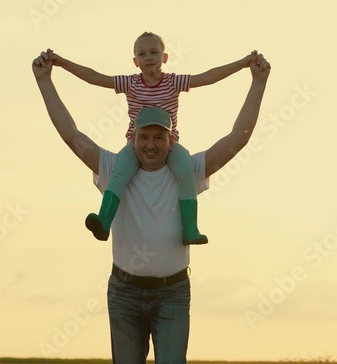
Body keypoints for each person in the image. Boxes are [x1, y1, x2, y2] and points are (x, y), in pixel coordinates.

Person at [32, 48, 271, 364]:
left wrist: (257, 83)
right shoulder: (112, 169)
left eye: (159, 137)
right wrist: (46, 82)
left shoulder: (189, 172)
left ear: (170, 140)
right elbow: (71, 135)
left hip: (172, 294)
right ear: (133, 138)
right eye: (144, 137)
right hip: (124, 293)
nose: (151, 144)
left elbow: (238, 138)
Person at [49, 32, 256, 245]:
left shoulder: (173, 82)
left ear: (164, 57)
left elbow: (208, 77)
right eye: (142, 53)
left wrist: (242, 64)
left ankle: (190, 229)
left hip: (169, 143)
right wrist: (62, 63)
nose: (148, 57)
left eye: (154, 52)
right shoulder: (130, 83)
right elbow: (94, 77)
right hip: (135, 143)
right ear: (135, 61)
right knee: (119, 173)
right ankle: (103, 221)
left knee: (185, 170)